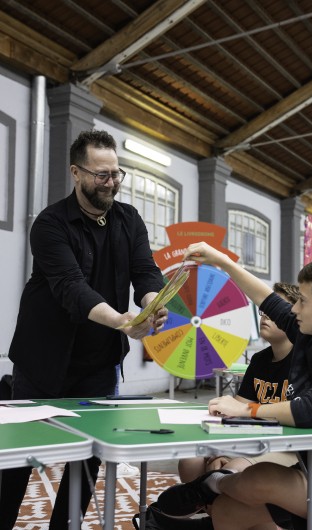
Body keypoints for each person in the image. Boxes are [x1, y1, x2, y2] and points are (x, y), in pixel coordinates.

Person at [156, 242, 312, 530]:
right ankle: (207, 499)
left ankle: (208, 486)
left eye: (303, 300)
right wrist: (222, 261)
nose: (294, 308)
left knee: (261, 478)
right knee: (227, 511)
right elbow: (267, 299)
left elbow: (307, 409)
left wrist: (246, 408)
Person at [0, 129, 168, 530]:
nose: (111, 183)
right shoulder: (49, 224)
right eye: (101, 175)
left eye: (116, 174)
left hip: (98, 362)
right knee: (18, 462)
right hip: (41, 361)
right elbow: (71, 288)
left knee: (87, 463)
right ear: (76, 173)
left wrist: (150, 302)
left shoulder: (129, 219)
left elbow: (146, 271)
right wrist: (124, 321)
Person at [178, 282, 300, 486]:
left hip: (287, 445)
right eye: (264, 311)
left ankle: (230, 513)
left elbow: (297, 417)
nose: (265, 316)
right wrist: (218, 452)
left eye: (274, 311)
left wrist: (230, 455)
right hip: (255, 439)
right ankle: (208, 511)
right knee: (190, 461)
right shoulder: (260, 360)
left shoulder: (304, 362)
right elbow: (235, 412)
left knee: (232, 470)